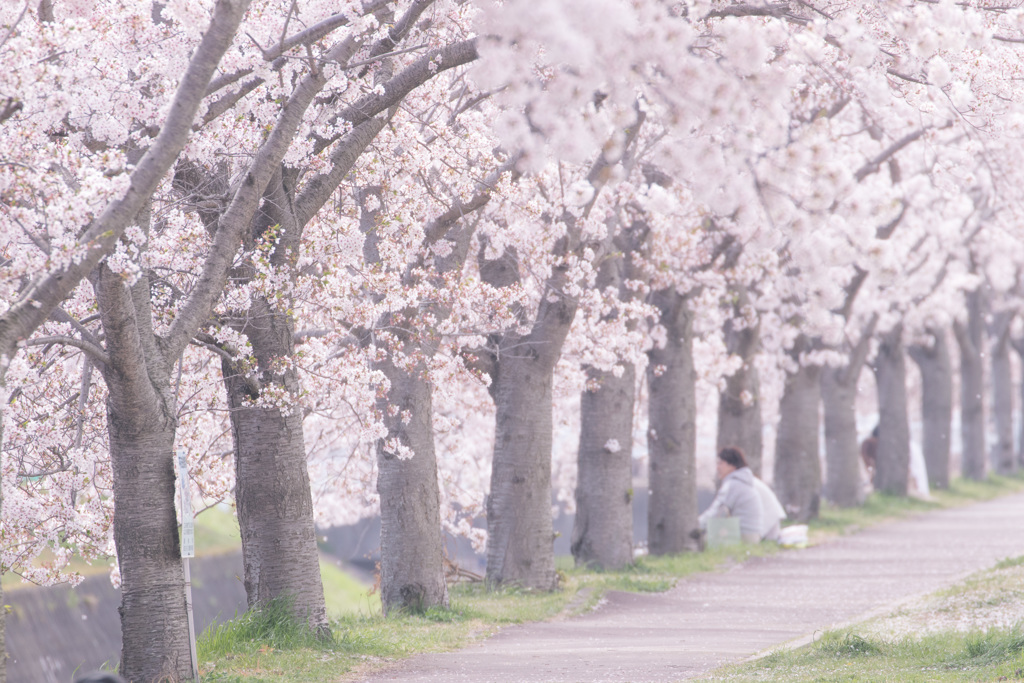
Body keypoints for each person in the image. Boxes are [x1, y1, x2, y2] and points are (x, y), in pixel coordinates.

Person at [698, 446, 763, 543]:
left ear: (732, 466)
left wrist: (695, 525)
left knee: (698, 541)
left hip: (742, 536)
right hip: (753, 536)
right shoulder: (743, 482)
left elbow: (716, 511)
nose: (717, 467)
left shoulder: (733, 485)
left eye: (720, 463)